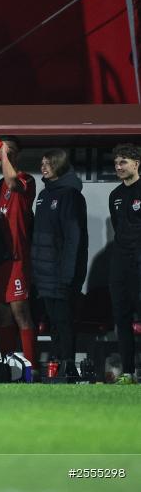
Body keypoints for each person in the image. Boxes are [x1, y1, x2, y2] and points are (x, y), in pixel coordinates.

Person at [31, 149, 88, 380]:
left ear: (60, 166)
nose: (44, 167)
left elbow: (73, 238)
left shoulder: (71, 195)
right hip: (43, 272)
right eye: (42, 163)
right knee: (53, 321)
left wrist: (68, 274)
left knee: (64, 320)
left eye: (49, 163)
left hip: (61, 273)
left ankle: (69, 365)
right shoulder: (44, 195)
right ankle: (57, 364)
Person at [0, 136, 37, 371]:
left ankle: (31, 367)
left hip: (18, 258)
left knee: (20, 312)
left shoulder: (26, 179)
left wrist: (5, 152)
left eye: (7, 152)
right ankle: (8, 367)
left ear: (16, 154)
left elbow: (12, 180)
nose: (0, 155)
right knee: (2, 314)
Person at [107, 143, 141, 384]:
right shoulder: (115, 195)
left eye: (123, 162)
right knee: (122, 319)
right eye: (116, 163)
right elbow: (119, 230)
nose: (118, 167)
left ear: (137, 164)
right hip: (121, 264)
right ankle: (128, 372)